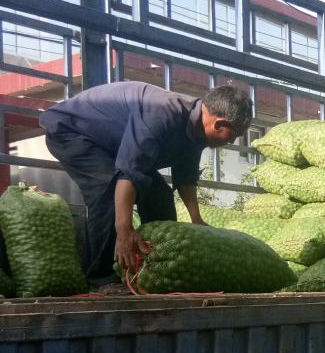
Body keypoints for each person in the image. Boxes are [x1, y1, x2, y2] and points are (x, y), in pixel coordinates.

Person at [41, 81, 252, 284]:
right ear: (219, 124)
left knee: (160, 195)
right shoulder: (162, 113)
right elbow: (131, 171)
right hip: (71, 132)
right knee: (108, 189)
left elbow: (186, 177)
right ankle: (101, 278)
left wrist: (196, 218)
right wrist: (124, 231)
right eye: (233, 136)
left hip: (113, 145)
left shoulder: (197, 131)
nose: (231, 142)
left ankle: (157, 268)